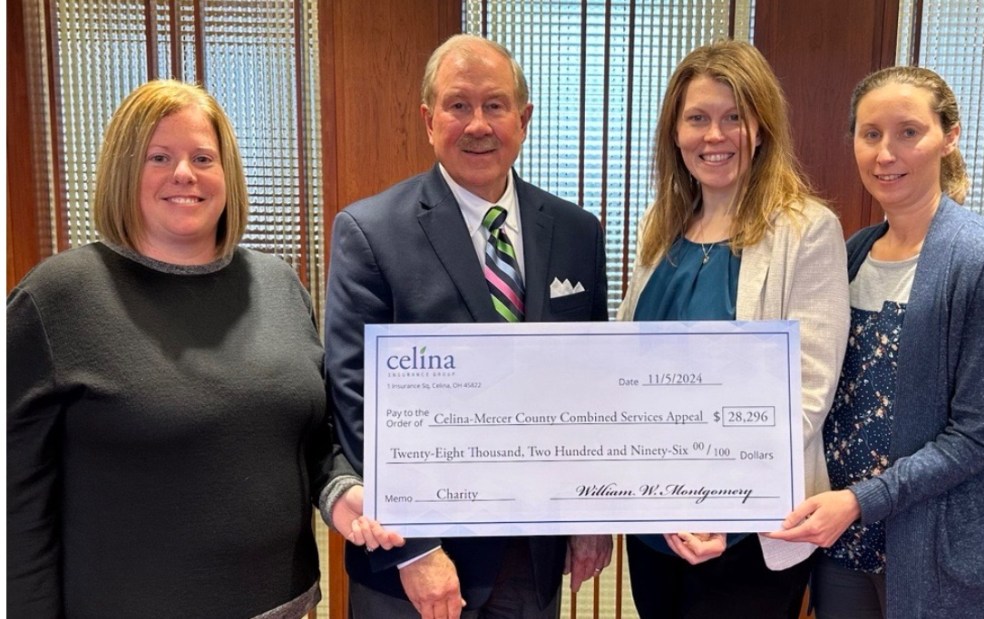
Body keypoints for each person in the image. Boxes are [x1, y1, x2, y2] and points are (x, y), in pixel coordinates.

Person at [6, 79, 400, 618]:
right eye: (159, 157)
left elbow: (309, 438)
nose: (184, 174)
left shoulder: (278, 285)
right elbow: (16, 500)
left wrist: (341, 492)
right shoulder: (57, 298)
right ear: (123, 171)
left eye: (202, 158)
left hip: (287, 607)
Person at [325, 34, 613, 619]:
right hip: (415, 566)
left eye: (495, 105)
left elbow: (591, 387)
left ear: (523, 120)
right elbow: (356, 403)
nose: (477, 124)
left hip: (533, 557)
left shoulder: (578, 232)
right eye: (458, 105)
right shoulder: (370, 232)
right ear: (429, 121)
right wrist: (416, 548)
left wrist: (590, 515)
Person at [768, 66, 984, 618]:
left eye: (909, 132)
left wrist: (861, 501)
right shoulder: (851, 253)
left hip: (941, 553)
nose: (886, 153)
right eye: (871, 134)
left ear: (949, 137)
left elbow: (976, 437)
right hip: (844, 547)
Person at [616, 40, 849, 618]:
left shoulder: (806, 230)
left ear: (761, 127)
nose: (714, 136)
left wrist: (722, 502)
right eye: (697, 118)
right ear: (675, 132)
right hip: (656, 522)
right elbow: (622, 370)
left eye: (733, 118)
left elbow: (806, 394)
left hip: (748, 528)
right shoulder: (659, 226)